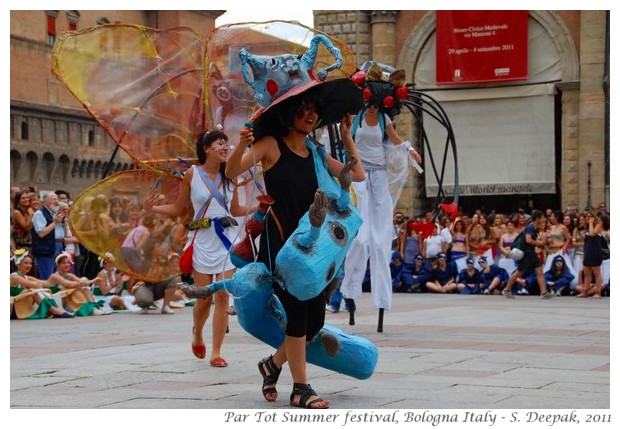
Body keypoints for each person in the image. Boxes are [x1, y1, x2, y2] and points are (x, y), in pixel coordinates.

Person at [226, 76, 364, 407]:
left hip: (314, 249)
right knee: (298, 316)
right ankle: (301, 388)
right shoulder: (271, 145)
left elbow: (355, 174)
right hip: (281, 244)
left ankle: (271, 364)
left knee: (314, 321)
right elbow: (232, 172)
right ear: (289, 113)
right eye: (303, 109)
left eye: (315, 110)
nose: (310, 114)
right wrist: (242, 144)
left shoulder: (316, 152)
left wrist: (346, 136)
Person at [145, 130, 246, 366]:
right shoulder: (193, 174)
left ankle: (217, 352)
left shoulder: (231, 175)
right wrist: (152, 208)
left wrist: (261, 208)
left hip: (226, 240)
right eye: (220, 143)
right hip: (202, 240)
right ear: (206, 148)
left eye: (226, 144)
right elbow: (179, 208)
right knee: (203, 298)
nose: (225, 147)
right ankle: (197, 333)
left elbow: (238, 209)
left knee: (222, 295)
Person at [339, 93, 422, 317]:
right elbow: (345, 140)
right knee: (360, 239)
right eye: (370, 105)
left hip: (380, 174)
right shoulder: (356, 118)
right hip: (360, 175)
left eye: (376, 105)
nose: (373, 109)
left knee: (379, 241)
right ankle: (350, 290)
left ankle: (382, 298)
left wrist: (410, 149)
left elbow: (395, 139)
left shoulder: (385, 119)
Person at [502, 210, 554, 299]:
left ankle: (544, 292)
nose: (543, 220)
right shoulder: (530, 227)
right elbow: (528, 240)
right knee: (519, 272)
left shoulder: (534, 228)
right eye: (541, 218)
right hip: (526, 254)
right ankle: (506, 290)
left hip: (531, 254)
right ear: (537, 219)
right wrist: (540, 242)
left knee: (539, 270)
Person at [10, 249, 73, 319]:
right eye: (26, 263)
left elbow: (45, 283)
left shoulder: (27, 277)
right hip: (14, 308)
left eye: (30, 263)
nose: (29, 265)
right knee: (33, 291)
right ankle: (53, 310)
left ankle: (54, 310)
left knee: (39, 291)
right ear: (18, 264)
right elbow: (34, 285)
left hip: (20, 305)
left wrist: (53, 280)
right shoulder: (14, 277)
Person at [31, 192, 64, 280]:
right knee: (46, 279)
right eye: (53, 199)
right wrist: (55, 222)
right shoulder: (39, 214)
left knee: (52, 279)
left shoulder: (51, 214)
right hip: (43, 252)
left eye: (57, 199)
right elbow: (41, 233)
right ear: (45, 201)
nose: (56, 202)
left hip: (50, 252)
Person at [576, 213, 609, 299]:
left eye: (590, 217)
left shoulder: (598, 225)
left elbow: (592, 234)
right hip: (588, 251)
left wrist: (591, 223)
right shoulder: (586, 228)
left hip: (595, 252)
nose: (588, 218)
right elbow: (586, 240)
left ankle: (598, 292)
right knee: (586, 272)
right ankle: (585, 292)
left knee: (596, 272)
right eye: (586, 217)